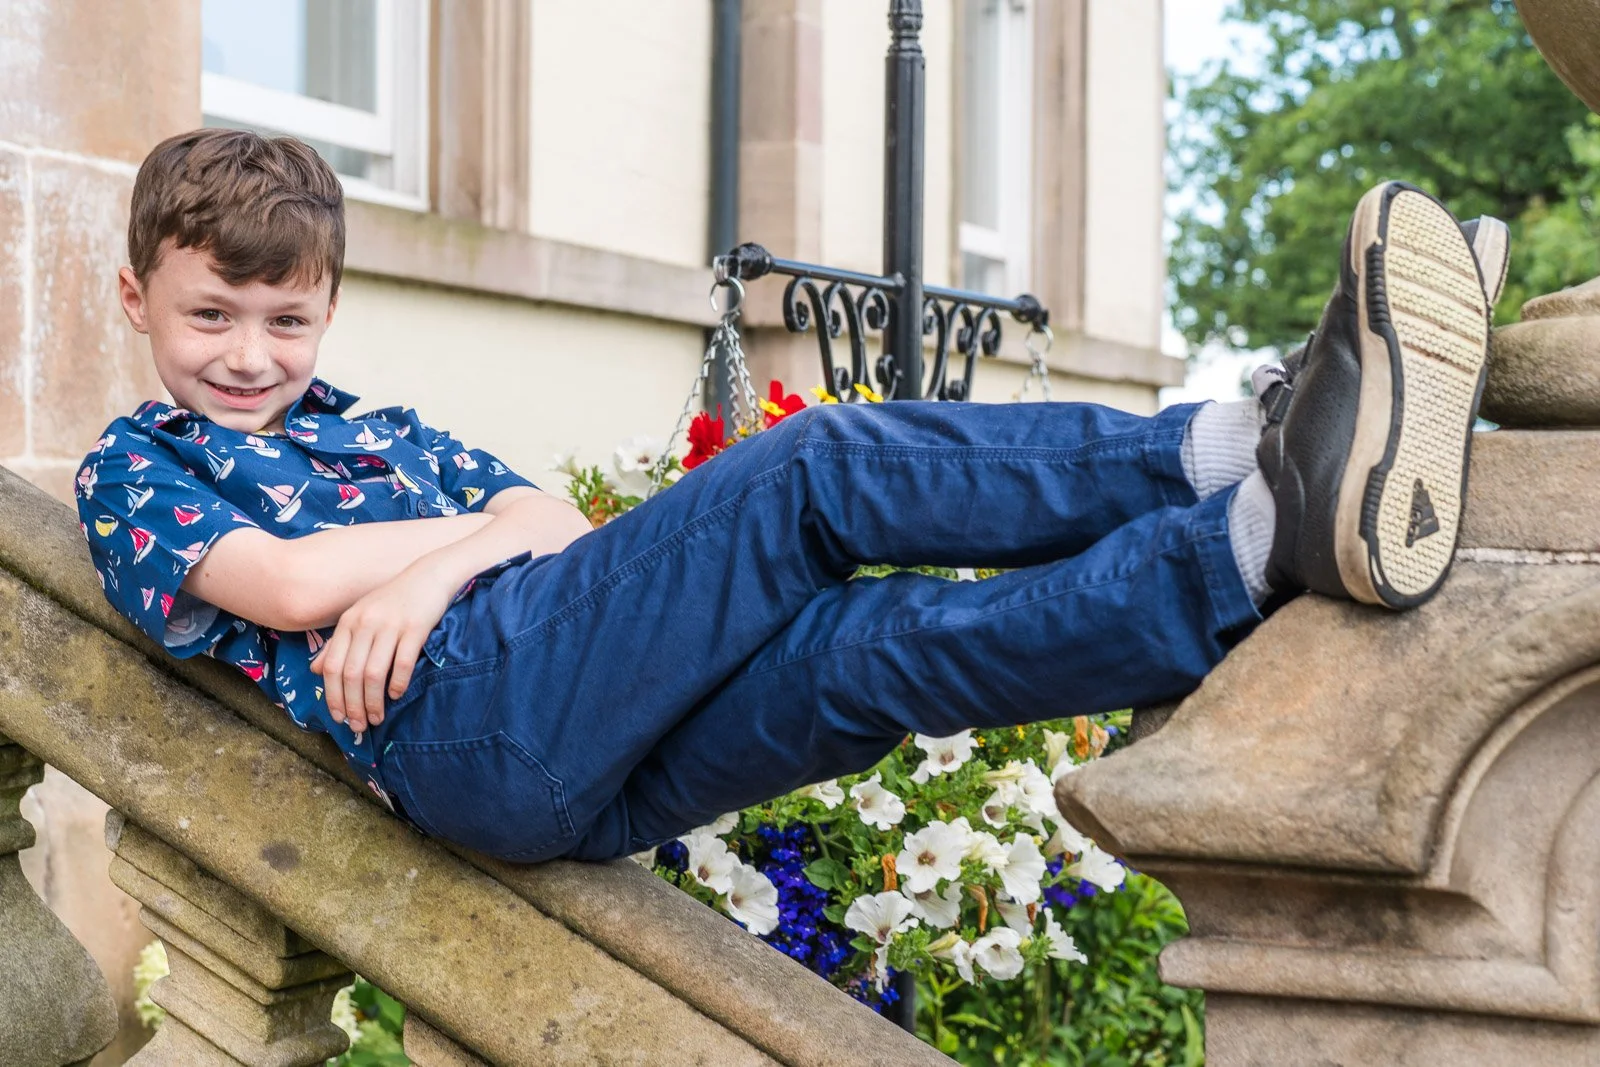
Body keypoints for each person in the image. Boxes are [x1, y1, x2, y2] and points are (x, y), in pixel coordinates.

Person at [74, 129, 1507, 864]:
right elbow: (278, 585)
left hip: (570, 758)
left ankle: (1245, 552)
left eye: (285, 320)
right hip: (467, 720)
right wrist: (453, 550)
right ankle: (1218, 449)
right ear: (140, 297)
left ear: (326, 306)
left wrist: (435, 556)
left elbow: (557, 529)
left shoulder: (383, 433)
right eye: (212, 318)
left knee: (873, 655)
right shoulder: (133, 467)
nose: (249, 356)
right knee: (818, 468)